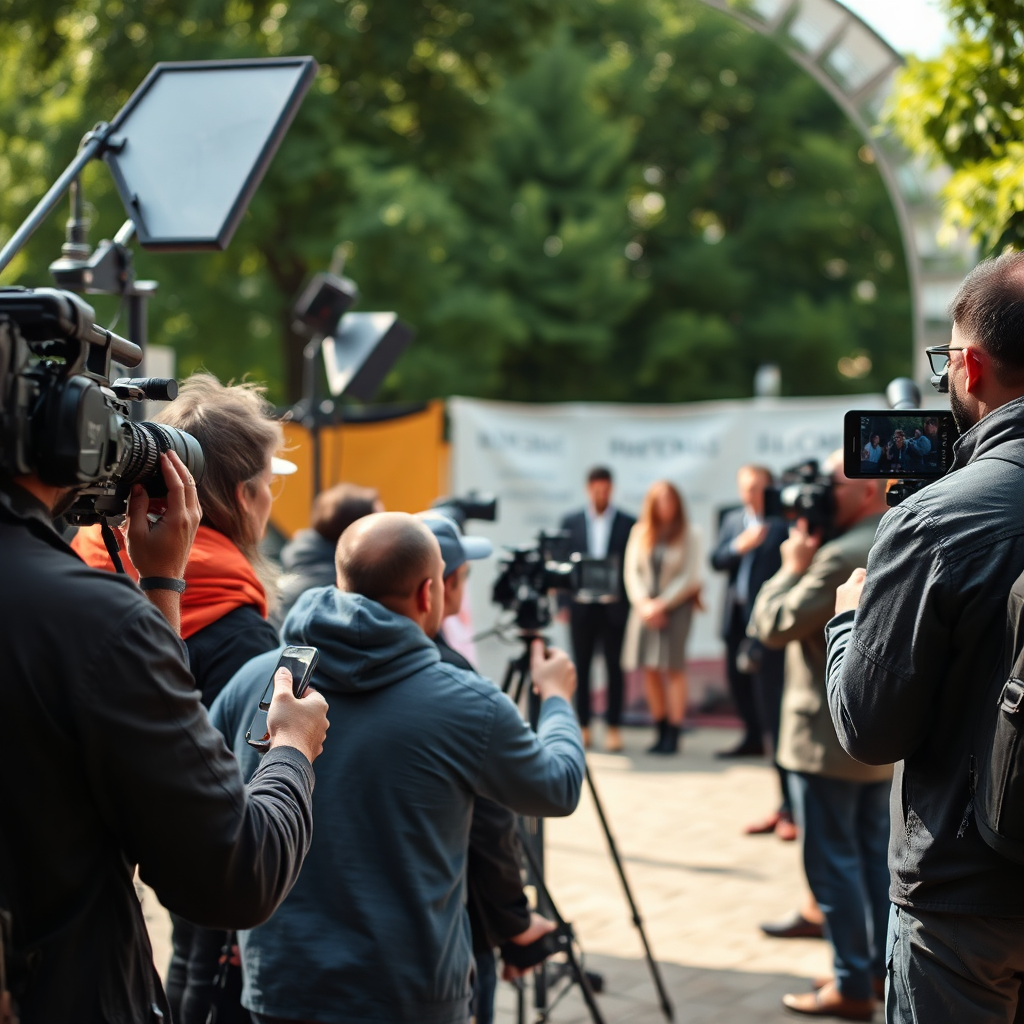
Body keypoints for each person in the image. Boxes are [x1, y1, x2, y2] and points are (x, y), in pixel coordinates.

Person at [210, 512, 586, 1024]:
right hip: (411, 994)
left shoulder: (256, 679)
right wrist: (558, 699)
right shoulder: (469, 703)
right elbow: (559, 788)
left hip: (281, 985)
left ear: (341, 582)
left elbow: (203, 807)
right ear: (429, 593)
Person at [0, 445, 329, 1023]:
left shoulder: (95, 611)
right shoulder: (95, 622)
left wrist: (161, 591)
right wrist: (292, 747)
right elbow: (234, 875)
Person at [70, 373, 309, 1023]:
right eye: (268, 482)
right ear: (243, 497)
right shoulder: (240, 630)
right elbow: (227, 825)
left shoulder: (82, 567)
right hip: (200, 897)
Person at [825, 252, 1024, 1024]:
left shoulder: (934, 521)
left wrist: (850, 618)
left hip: (961, 904)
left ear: (969, 367)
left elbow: (868, 730)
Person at [749, 453, 892, 1020]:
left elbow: (771, 625)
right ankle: (880, 970)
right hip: (874, 737)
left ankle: (850, 984)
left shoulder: (838, 556)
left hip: (822, 738)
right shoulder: (894, 532)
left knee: (832, 866)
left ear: (864, 491)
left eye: (828, 485)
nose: (816, 495)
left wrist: (790, 564)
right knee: (873, 861)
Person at [420, 514, 556, 1024]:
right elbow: (538, 795)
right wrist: (558, 700)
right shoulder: (455, 680)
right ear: (440, 586)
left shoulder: (298, 666)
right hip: (452, 939)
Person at [711, 465, 794, 839]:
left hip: (768, 631)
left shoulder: (786, 524)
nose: (751, 496)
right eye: (746, 489)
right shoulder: (732, 520)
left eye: (758, 488)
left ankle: (790, 808)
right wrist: (737, 546)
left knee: (777, 720)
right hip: (735, 624)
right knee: (744, 695)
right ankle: (783, 801)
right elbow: (716, 560)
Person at [622, 480, 703, 754]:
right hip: (644, 608)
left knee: (672, 667)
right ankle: (659, 728)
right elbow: (631, 572)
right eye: (660, 501)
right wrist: (644, 603)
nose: (665, 506)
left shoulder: (691, 533)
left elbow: (690, 575)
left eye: (670, 500)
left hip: (675, 608)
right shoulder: (640, 532)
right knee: (649, 667)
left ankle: (675, 732)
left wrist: (661, 605)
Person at [559, 466, 636, 751]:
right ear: (588, 489)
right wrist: (563, 603)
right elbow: (562, 566)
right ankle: (584, 725)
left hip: (614, 607)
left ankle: (614, 726)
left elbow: (634, 566)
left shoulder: (629, 523)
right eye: (596, 489)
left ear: (611, 489)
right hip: (581, 607)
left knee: (615, 668)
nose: (601, 494)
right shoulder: (572, 521)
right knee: (582, 666)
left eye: (605, 489)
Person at [274, 481, 382, 626]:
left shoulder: (303, 559)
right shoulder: (336, 593)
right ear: (356, 532)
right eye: (378, 524)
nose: (384, 533)